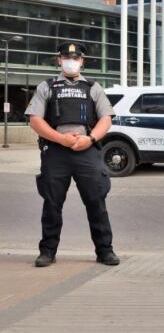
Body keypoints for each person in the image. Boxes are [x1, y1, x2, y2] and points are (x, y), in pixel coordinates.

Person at [25, 41, 119, 267]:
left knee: (96, 201)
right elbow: (35, 120)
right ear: (59, 60)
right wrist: (61, 139)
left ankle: (105, 250)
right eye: (67, 58)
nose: (71, 62)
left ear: (82, 61)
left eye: (76, 58)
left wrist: (91, 139)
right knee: (52, 203)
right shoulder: (46, 86)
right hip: (56, 151)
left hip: (86, 151)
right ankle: (47, 251)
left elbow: (106, 118)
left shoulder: (93, 87)